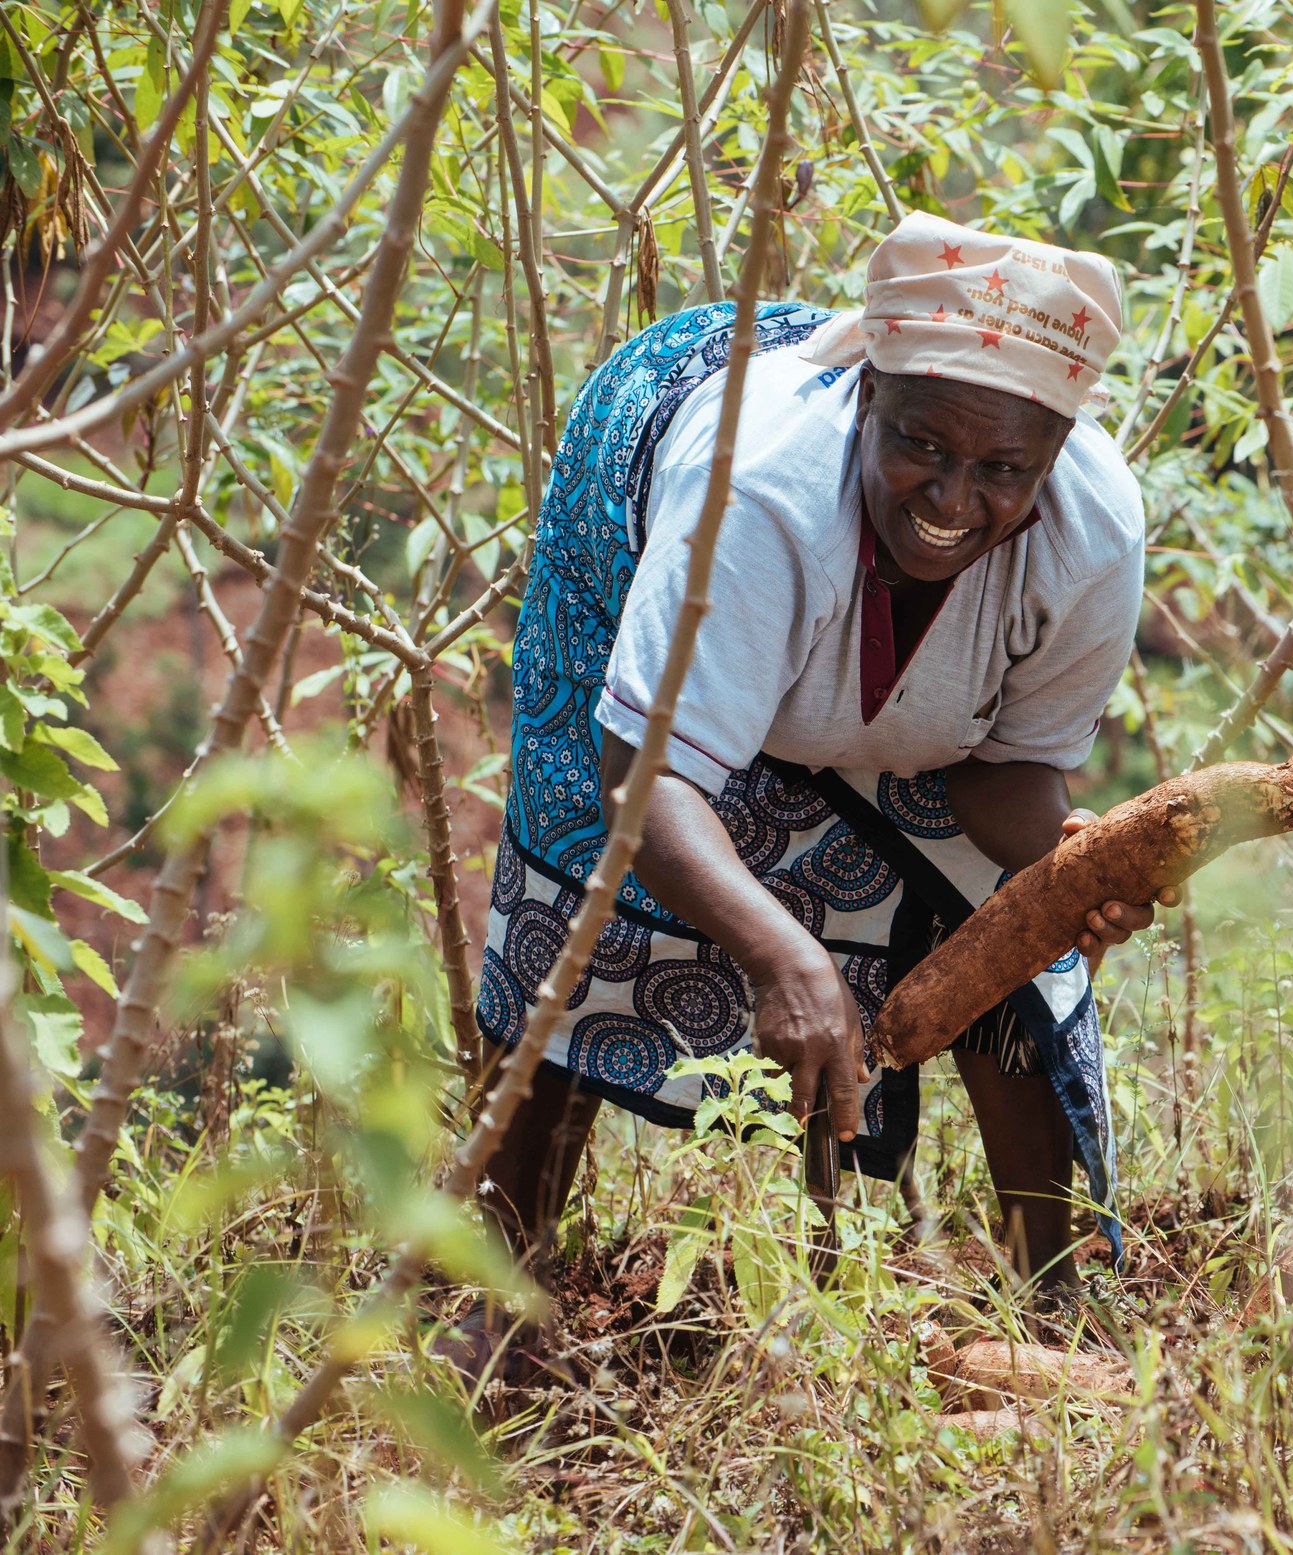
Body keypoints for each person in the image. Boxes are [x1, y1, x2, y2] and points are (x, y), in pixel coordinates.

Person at [451, 212, 1164, 1378]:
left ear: (1050, 457)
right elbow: (644, 777)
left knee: (1013, 930)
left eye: (1001, 470)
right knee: (575, 908)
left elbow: (1004, 776)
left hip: (874, 677)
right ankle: (494, 1295)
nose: (952, 496)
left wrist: (1073, 870)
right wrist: (784, 956)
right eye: (922, 445)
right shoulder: (756, 493)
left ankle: (1051, 1298)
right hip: (639, 520)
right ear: (865, 397)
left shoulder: (1091, 532)